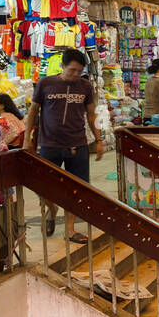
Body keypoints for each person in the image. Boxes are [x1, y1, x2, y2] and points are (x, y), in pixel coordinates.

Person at [24, 48, 104, 244]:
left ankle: (70, 229)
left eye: (79, 71)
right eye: (72, 70)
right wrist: (27, 139)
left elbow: (91, 115)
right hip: (49, 144)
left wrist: (99, 139)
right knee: (43, 187)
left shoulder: (85, 87)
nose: (75, 74)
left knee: (76, 189)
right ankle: (52, 210)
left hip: (77, 145)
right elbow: (33, 111)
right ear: (62, 66)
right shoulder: (45, 83)